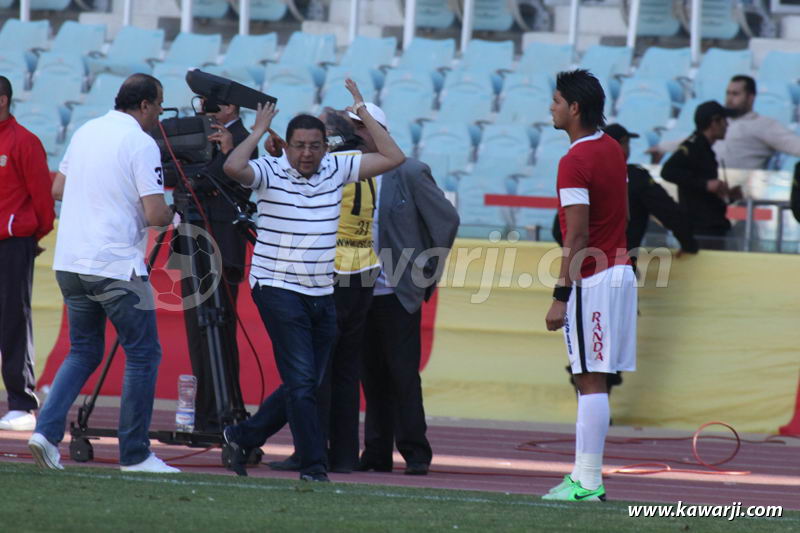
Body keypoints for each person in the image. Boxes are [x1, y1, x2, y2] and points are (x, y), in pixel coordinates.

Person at [221, 79, 405, 482]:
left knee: (308, 381)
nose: (307, 153)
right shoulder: (270, 169)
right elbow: (233, 167)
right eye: (299, 146)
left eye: (314, 146)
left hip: (324, 291)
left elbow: (393, 157)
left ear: (326, 147)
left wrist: (363, 115)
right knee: (304, 381)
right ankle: (313, 467)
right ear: (286, 147)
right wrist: (254, 131)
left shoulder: (338, 168)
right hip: (277, 287)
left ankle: (242, 434)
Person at [28, 74, 179, 473]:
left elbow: (59, 188)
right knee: (144, 354)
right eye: (159, 104)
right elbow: (155, 214)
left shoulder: (85, 130)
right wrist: (175, 213)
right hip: (116, 267)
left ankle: (45, 431)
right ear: (145, 104)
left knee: (83, 350)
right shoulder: (142, 143)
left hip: (71, 262)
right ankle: (135, 453)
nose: (161, 112)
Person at [543, 69, 637, 502]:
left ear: (575, 108)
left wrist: (561, 294)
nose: (552, 107)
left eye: (558, 100)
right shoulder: (613, 150)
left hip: (594, 277)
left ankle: (588, 480)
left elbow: (576, 235)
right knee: (594, 376)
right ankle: (585, 477)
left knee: (589, 378)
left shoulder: (575, 160)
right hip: (619, 271)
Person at [355, 107, 460, 477]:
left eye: (361, 127)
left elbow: (446, 221)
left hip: (398, 292)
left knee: (402, 375)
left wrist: (425, 272)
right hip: (360, 291)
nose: (355, 135)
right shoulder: (350, 170)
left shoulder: (410, 172)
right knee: (371, 377)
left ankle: (416, 453)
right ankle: (376, 453)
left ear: (378, 130)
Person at [172, 101, 257, 432]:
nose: (205, 111)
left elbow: (230, 181)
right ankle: (207, 411)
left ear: (233, 106)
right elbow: (176, 177)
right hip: (192, 236)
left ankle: (223, 410)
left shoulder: (244, 137)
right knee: (197, 330)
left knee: (219, 330)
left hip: (221, 244)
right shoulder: (195, 133)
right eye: (201, 103)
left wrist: (225, 153)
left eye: (212, 104)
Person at [0, 76, 55, 431]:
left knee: (13, 320)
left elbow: (43, 200)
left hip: (12, 244)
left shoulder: (25, 141)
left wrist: (31, 234)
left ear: (2, 100)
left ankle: (21, 402)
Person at [661, 101, 741, 250]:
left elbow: (701, 190)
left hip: (710, 225)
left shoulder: (704, 148)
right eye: (725, 121)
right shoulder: (693, 146)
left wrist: (725, 194)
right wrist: (705, 184)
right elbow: (668, 171)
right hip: (701, 228)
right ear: (714, 122)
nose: (727, 126)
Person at [714, 75, 800, 170]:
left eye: (735, 94)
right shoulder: (716, 122)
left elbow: (796, 146)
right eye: (728, 94)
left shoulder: (764, 125)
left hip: (739, 182)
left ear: (750, 98)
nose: (729, 99)